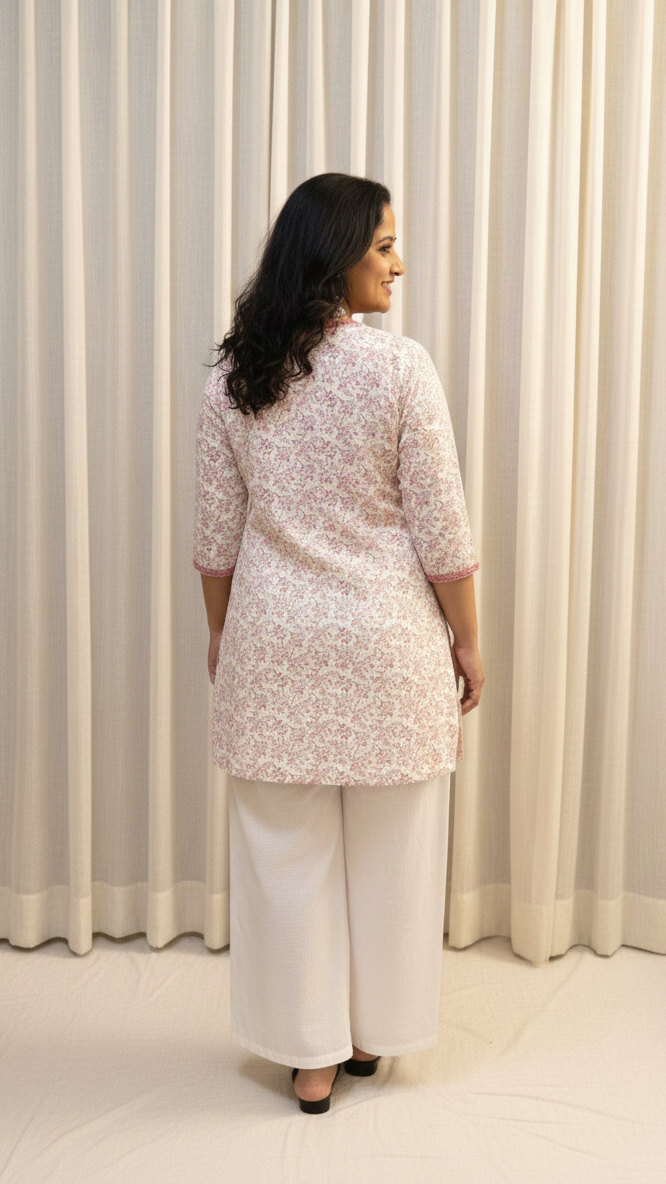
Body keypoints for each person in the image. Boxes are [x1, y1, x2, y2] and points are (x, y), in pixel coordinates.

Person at [193, 173, 485, 1114]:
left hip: (273, 646)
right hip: (388, 646)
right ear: (337, 256)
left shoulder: (234, 377)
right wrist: (469, 644)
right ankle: (368, 1037)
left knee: (284, 854)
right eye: (384, 246)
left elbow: (214, 542)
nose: (398, 264)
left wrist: (220, 639)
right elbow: (442, 533)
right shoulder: (400, 369)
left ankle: (306, 1056)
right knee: (393, 854)